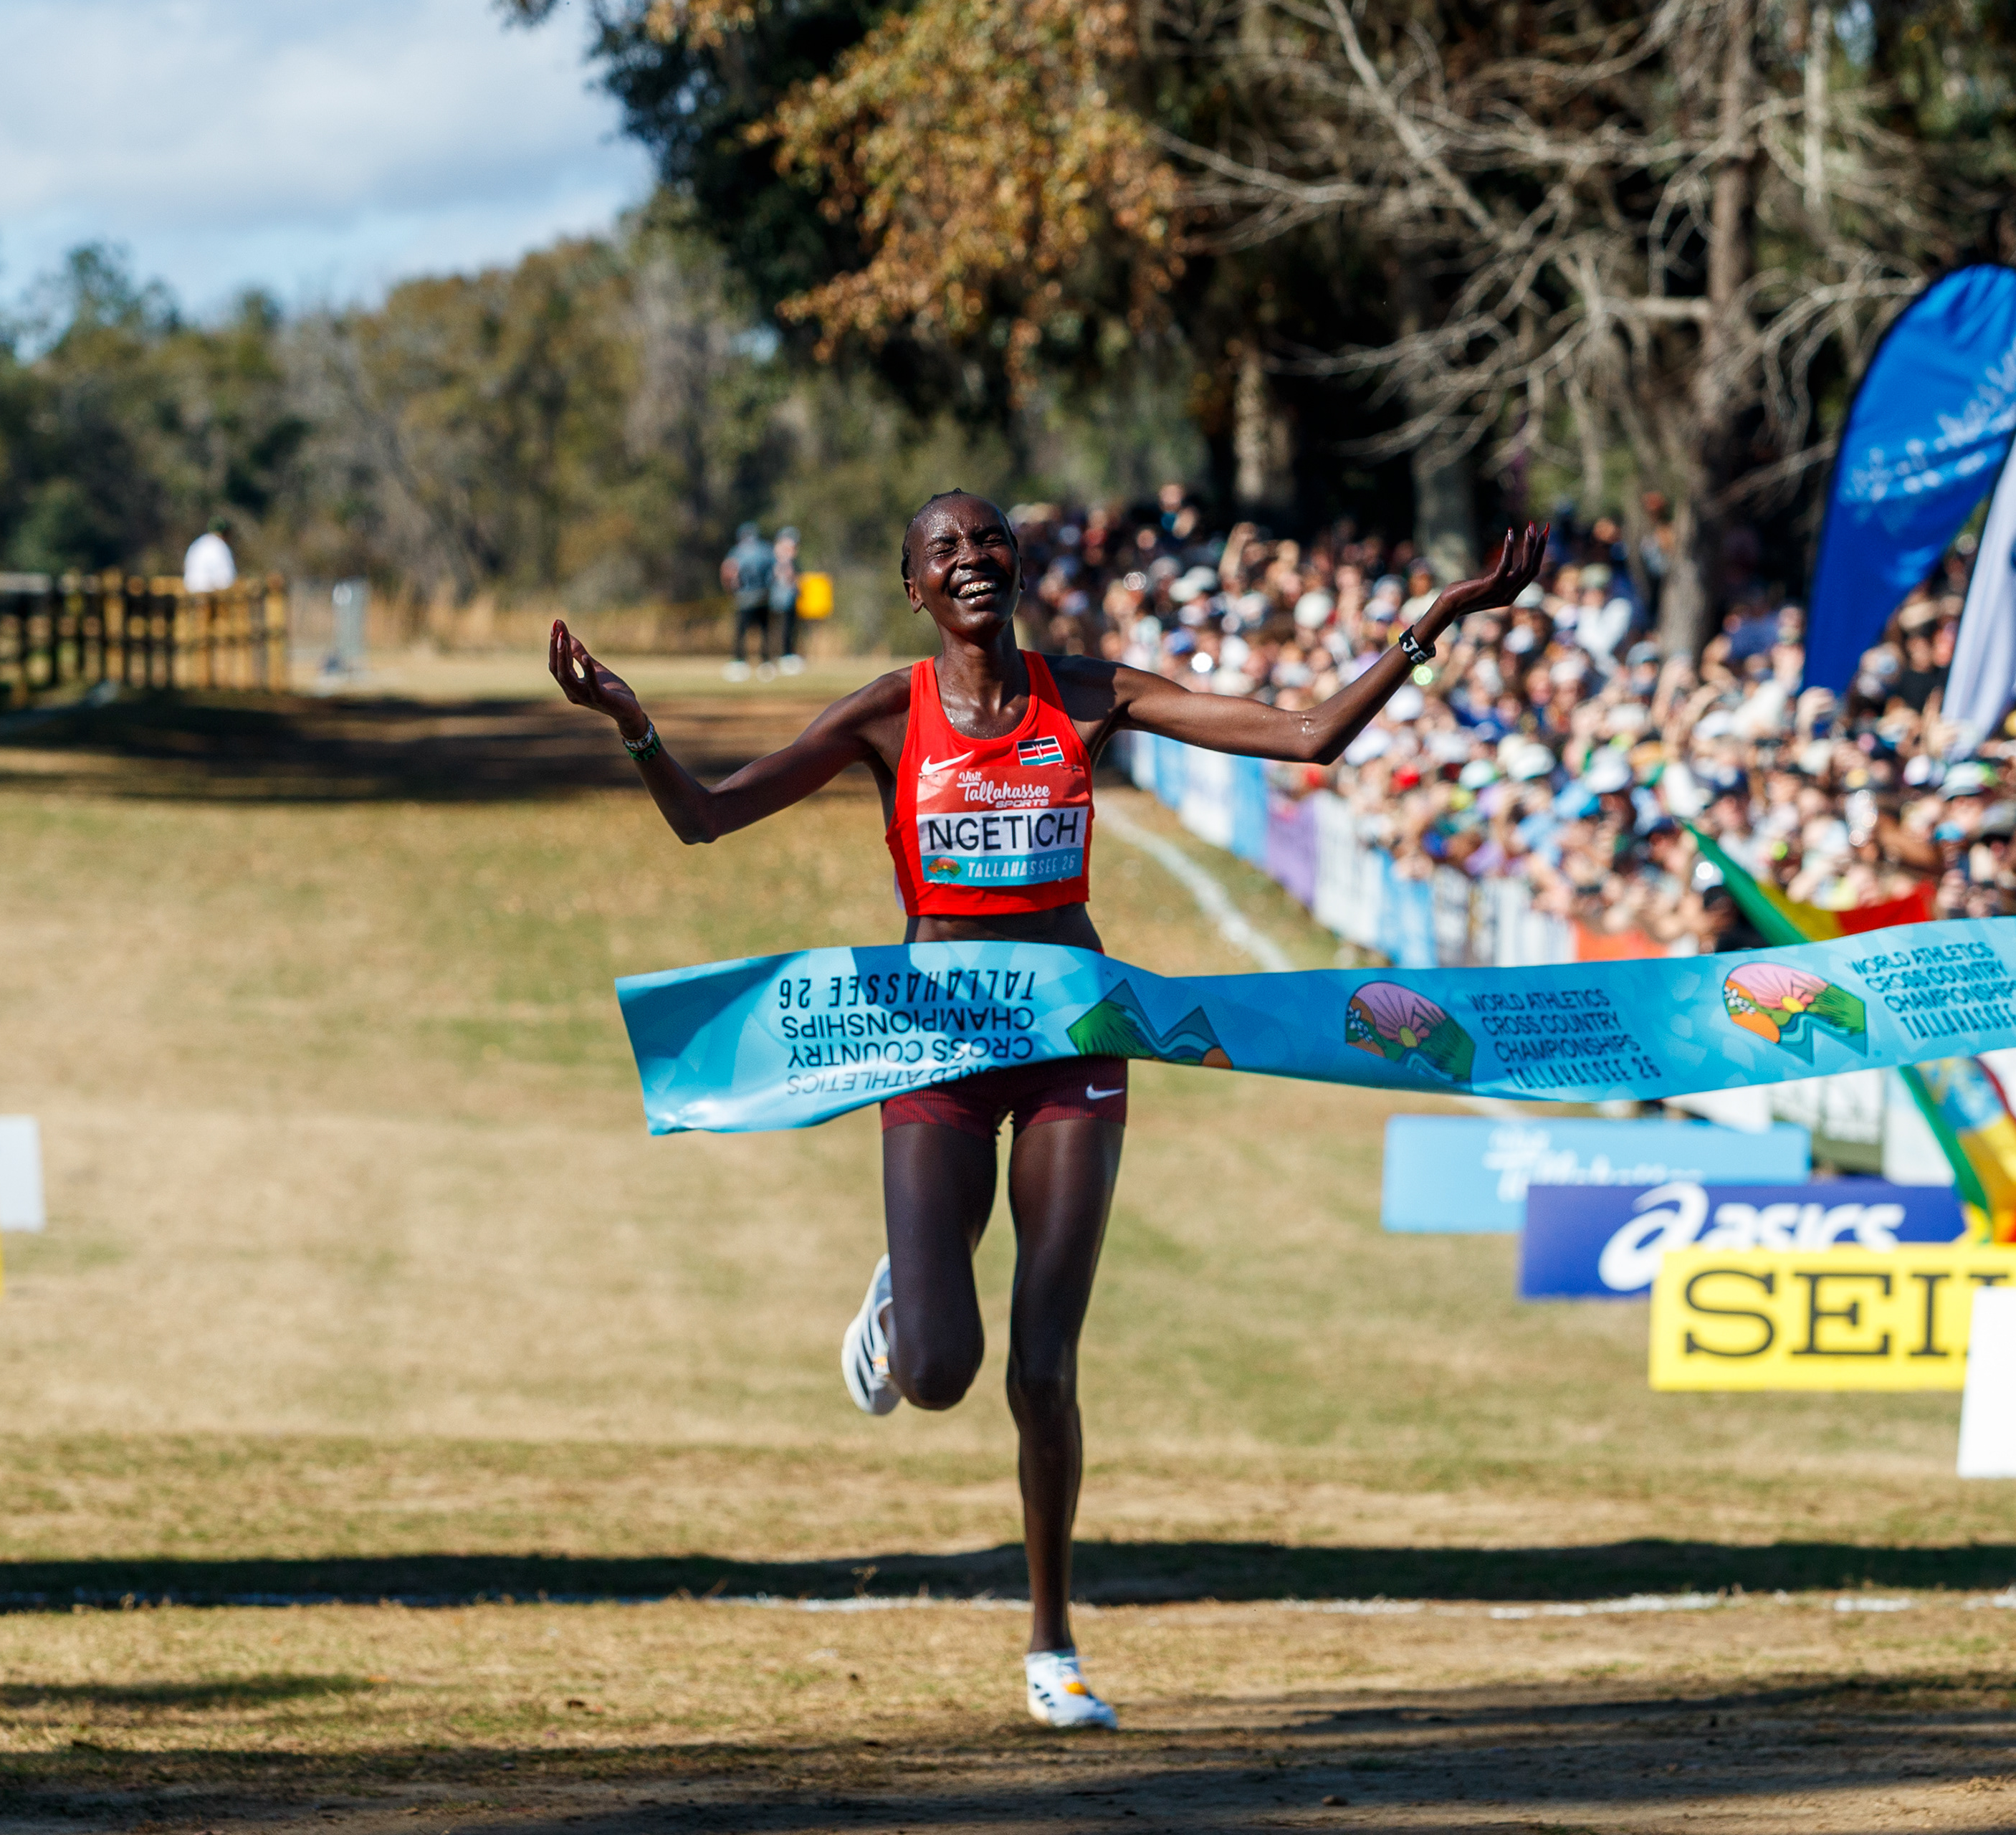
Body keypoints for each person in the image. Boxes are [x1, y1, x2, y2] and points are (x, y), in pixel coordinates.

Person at [549, 491, 1544, 1731]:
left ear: (1017, 565)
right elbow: (706, 819)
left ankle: (1053, 1645)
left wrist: (1439, 619)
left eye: (987, 539)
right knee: (941, 1374)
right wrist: (631, 722)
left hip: (1074, 1035)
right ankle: (902, 1306)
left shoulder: (1089, 693)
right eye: (943, 549)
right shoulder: (883, 715)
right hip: (934, 1047)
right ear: (913, 588)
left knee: (1043, 1367)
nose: (972, 558)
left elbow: (1309, 739)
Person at [722, 521, 777, 681]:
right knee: (765, 631)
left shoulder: (737, 551)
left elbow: (728, 572)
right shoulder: (766, 550)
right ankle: (765, 662)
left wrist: (731, 591)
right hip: (763, 597)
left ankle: (740, 661)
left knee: (741, 633)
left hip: (744, 598)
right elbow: (774, 573)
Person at [768, 525, 806, 675]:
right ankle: (785, 657)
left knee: (785, 629)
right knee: (785, 629)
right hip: (783, 598)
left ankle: (784, 656)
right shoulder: (782, 556)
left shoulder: (776, 554)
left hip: (781, 598)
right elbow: (789, 577)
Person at [182, 519, 236, 594]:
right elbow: (227, 578)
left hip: (191, 590)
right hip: (210, 593)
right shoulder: (220, 546)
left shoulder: (198, 543)